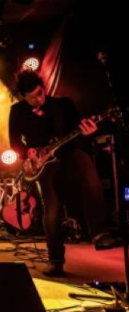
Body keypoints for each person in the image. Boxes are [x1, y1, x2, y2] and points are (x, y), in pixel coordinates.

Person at [8, 71, 121, 277]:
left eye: (40, 93)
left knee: (85, 163)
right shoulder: (17, 111)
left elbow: (78, 130)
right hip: (43, 164)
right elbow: (14, 142)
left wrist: (89, 131)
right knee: (51, 211)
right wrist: (27, 153)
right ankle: (55, 261)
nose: (39, 99)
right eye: (32, 97)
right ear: (22, 97)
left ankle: (99, 232)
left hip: (67, 154)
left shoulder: (63, 104)